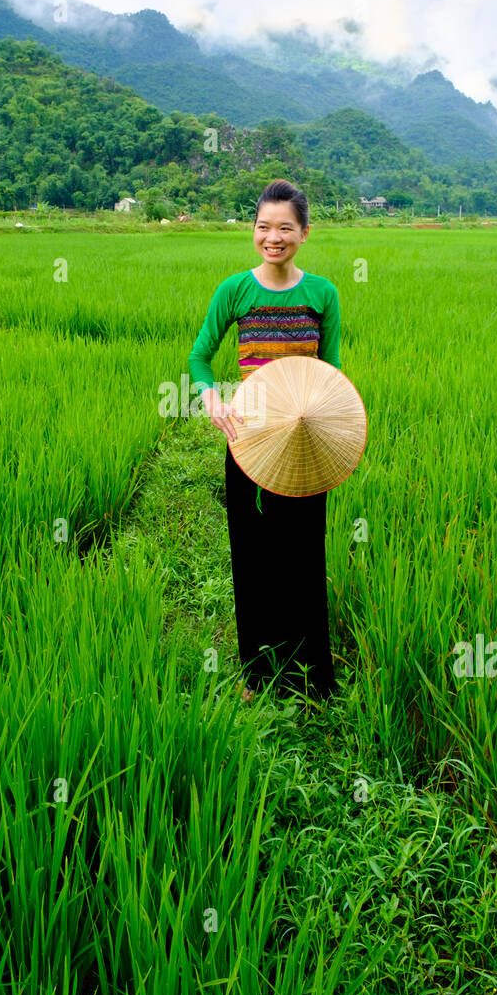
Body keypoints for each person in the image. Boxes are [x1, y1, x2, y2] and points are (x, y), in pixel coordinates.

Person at [188, 179, 342, 703]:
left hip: (307, 442)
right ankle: (257, 672)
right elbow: (199, 357)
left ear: (304, 232)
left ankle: (312, 674)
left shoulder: (323, 294)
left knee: (303, 553)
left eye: (284, 228)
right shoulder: (235, 290)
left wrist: (333, 426)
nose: (272, 237)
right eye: (262, 226)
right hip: (250, 440)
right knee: (252, 553)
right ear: (253, 229)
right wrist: (212, 400)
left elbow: (332, 372)